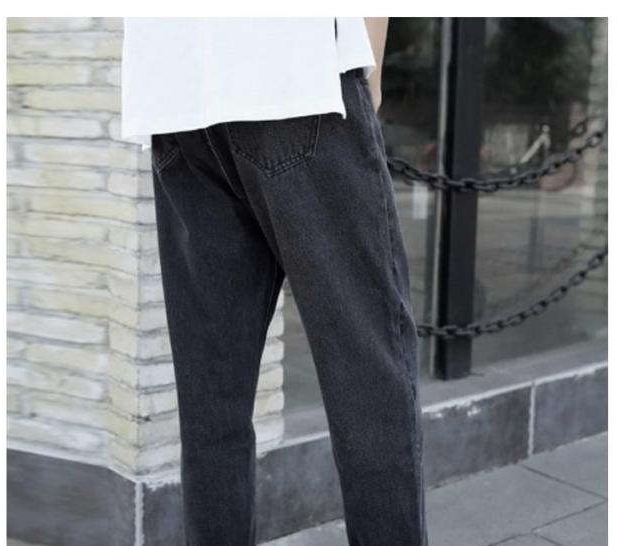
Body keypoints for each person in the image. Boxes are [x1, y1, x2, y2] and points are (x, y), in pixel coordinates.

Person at [121, 17, 427, 546]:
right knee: (369, 378)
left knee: (212, 401)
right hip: (296, 71)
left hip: (176, 93)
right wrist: (368, 76)